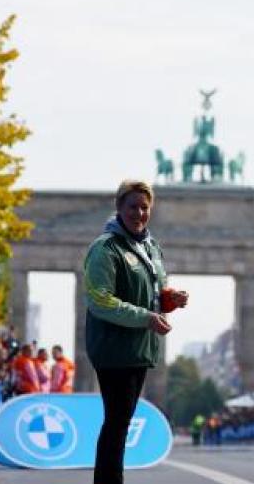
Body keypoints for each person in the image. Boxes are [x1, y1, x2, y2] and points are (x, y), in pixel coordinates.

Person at [84, 180, 189, 484]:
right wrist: (146, 317)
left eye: (145, 207)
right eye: (132, 206)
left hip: (139, 346)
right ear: (119, 208)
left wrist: (170, 299)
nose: (139, 213)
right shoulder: (105, 248)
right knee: (117, 422)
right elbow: (100, 300)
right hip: (113, 346)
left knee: (121, 422)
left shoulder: (150, 246)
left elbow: (154, 292)